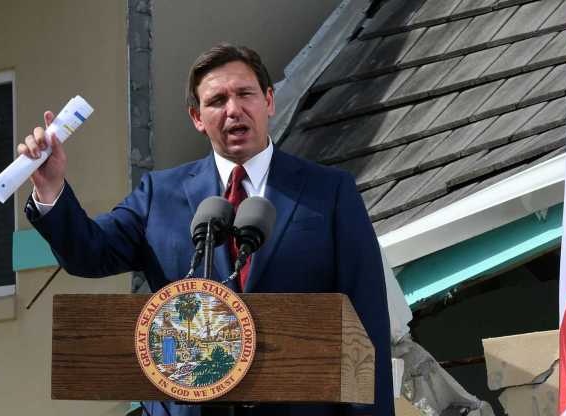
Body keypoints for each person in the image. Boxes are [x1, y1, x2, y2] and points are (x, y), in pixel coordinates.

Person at [20, 43, 394, 416]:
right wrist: (50, 187)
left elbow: (365, 321)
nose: (233, 110)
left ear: (269, 101)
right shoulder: (159, 196)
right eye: (217, 101)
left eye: (245, 94)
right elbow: (89, 252)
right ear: (197, 117)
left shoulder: (329, 192)